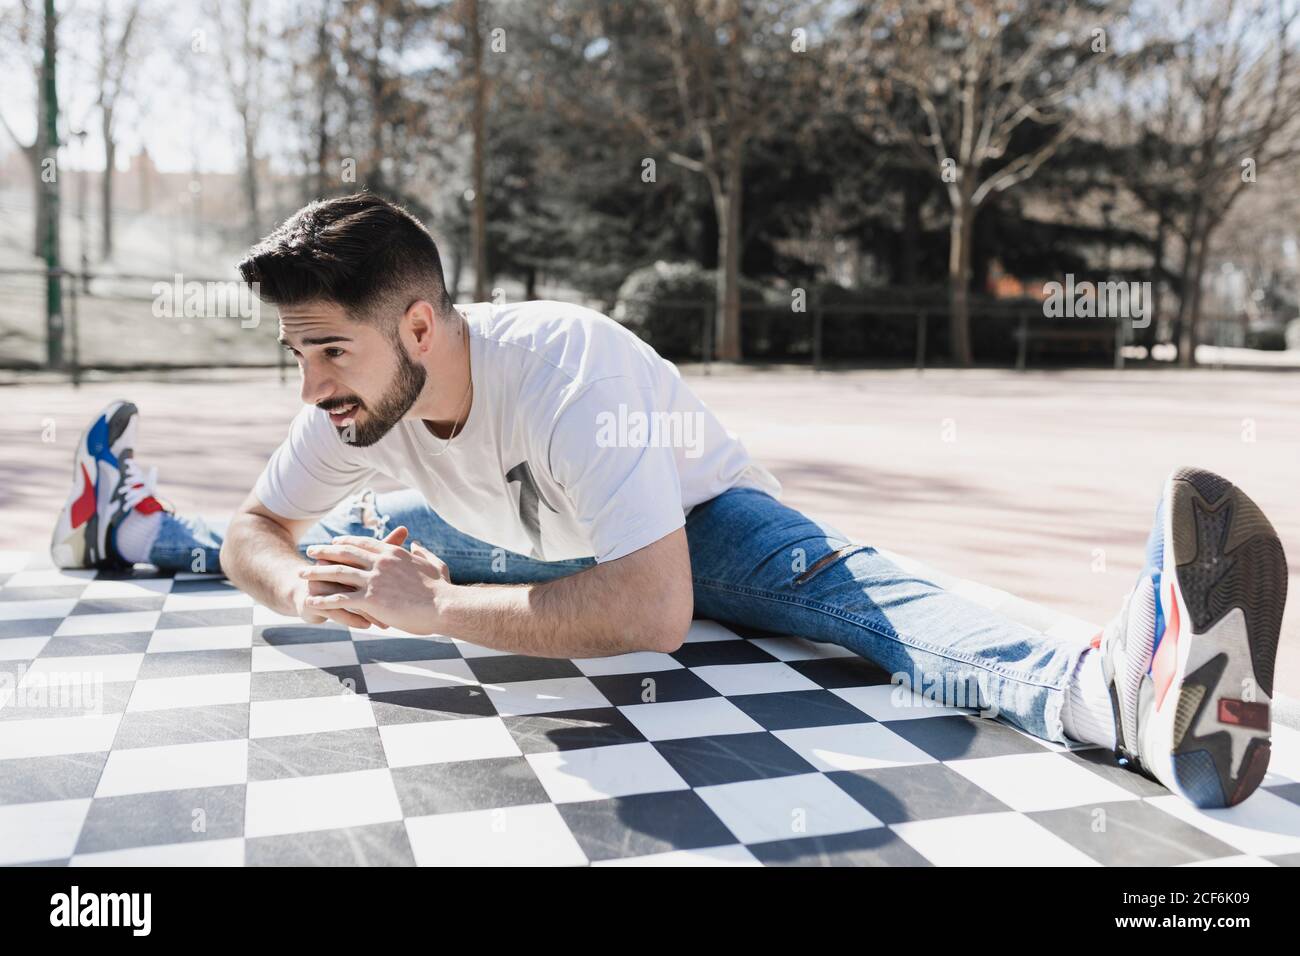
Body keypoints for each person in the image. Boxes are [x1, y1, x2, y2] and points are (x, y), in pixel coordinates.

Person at [50, 193, 1287, 810]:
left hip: (681, 524)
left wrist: (434, 610)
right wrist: (305, 588)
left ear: (419, 324)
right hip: (485, 534)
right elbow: (265, 531)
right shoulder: (359, 403)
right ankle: (126, 523)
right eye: (298, 355)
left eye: (326, 350)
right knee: (306, 533)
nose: (310, 384)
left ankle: (1113, 691)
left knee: (851, 593)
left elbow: (650, 608)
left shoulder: (573, 370)